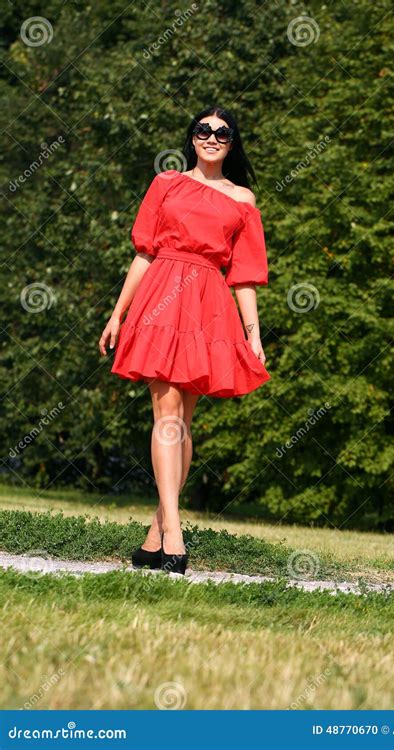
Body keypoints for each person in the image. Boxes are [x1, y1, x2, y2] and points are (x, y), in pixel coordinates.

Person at [98, 106, 270, 575]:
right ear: (191, 138)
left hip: (208, 302)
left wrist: (253, 337)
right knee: (166, 412)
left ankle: (156, 534)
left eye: (223, 132)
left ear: (232, 143)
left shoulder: (244, 200)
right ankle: (174, 531)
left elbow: (246, 277)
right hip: (160, 298)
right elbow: (144, 254)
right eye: (203, 130)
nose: (212, 137)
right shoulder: (166, 183)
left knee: (184, 420)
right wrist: (117, 314)